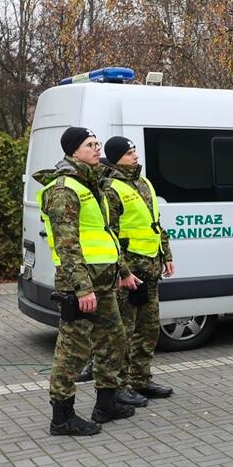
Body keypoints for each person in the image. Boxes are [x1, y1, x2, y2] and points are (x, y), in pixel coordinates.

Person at [34, 127, 134, 436]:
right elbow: (68, 244)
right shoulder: (64, 189)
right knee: (72, 351)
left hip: (103, 281)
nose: (96, 149)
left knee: (114, 339)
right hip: (81, 285)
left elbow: (105, 235)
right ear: (74, 151)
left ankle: (106, 404)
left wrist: (122, 271)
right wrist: (82, 288)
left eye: (97, 144)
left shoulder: (93, 185)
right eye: (90, 145)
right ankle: (62, 418)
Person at [102, 136, 176, 406]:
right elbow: (108, 235)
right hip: (130, 274)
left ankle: (141, 380)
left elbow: (156, 223)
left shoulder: (144, 182)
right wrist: (123, 272)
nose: (135, 155)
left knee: (148, 329)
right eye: (129, 152)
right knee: (125, 331)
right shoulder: (111, 188)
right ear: (116, 157)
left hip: (151, 269)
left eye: (134, 150)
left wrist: (166, 254)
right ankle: (119, 386)